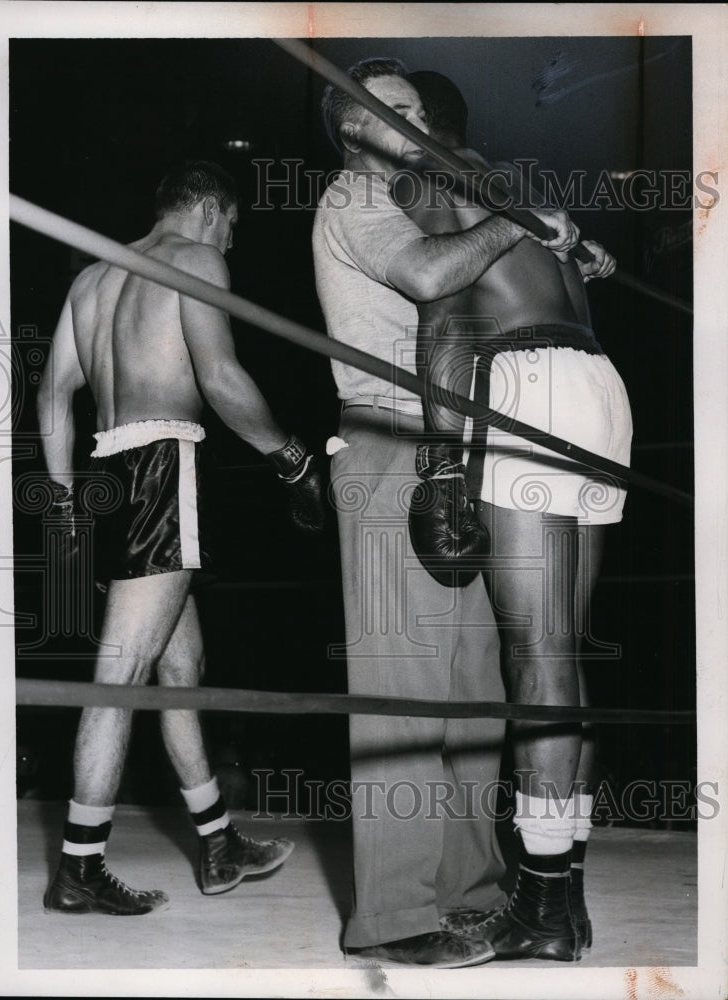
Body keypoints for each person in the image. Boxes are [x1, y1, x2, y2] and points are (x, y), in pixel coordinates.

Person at [312, 58, 580, 968]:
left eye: (418, 108)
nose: (411, 121)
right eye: (388, 110)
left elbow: (498, 291)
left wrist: (560, 240)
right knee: (403, 699)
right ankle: (394, 917)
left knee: (475, 691)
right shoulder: (355, 197)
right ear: (347, 127)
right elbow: (430, 279)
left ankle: (470, 895)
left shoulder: (431, 190)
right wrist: (516, 222)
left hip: (459, 450)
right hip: (392, 448)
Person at [37, 160, 324, 915]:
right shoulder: (197, 259)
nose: (230, 237)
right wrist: (291, 459)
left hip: (105, 474)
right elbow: (223, 378)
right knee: (121, 672)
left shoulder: (93, 277)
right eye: (230, 222)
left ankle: (217, 839)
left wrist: (66, 502)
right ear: (206, 209)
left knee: (180, 663)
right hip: (162, 464)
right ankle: (80, 863)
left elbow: (52, 393)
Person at [399, 70, 633, 961]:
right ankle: (560, 896)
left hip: (528, 385)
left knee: (534, 653)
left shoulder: (431, 174)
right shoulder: (522, 185)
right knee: (562, 647)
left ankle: (538, 910)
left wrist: (440, 457)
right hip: (598, 389)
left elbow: (442, 311)